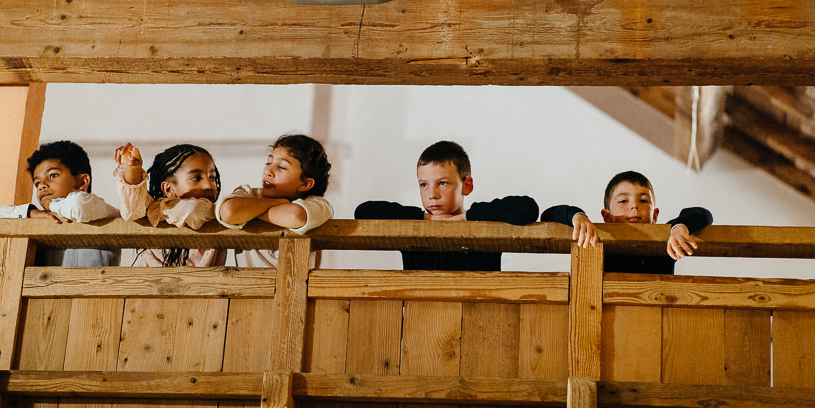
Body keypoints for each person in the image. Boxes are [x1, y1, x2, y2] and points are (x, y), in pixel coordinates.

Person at [354, 140, 540, 271]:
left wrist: (462, 218)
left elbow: (526, 208)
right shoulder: (413, 223)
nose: (432, 195)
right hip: (420, 319)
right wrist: (425, 218)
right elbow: (363, 211)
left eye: (442, 183)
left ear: (467, 186)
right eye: (423, 185)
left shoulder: (482, 219)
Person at [0, 140, 121, 267]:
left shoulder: (101, 209)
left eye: (53, 175)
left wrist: (52, 205)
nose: (42, 186)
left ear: (82, 181)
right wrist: (30, 212)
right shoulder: (38, 218)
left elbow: (79, 207)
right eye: (37, 183)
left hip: (95, 301)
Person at [541, 170, 713, 274]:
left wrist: (679, 227)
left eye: (643, 201)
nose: (634, 206)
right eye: (623, 201)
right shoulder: (593, 237)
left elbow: (703, 214)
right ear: (606, 217)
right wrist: (578, 217)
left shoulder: (666, 242)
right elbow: (548, 215)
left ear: (655, 216)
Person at [216, 134, 333, 267]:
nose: (268, 171)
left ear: (305, 184)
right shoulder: (250, 194)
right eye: (268, 163)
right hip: (247, 285)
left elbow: (295, 215)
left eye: (281, 167)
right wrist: (278, 202)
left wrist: (250, 213)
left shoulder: (318, 205)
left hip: (293, 285)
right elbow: (229, 212)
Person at [114, 142, 225, 267]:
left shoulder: (218, 212)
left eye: (212, 178)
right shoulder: (152, 209)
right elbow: (131, 208)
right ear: (168, 189)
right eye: (196, 178)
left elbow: (196, 210)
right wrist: (133, 169)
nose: (208, 185)